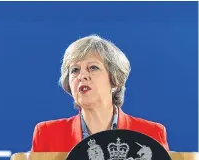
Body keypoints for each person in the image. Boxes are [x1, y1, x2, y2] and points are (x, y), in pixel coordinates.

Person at [31, 35, 169, 152]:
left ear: (115, 81)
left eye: (93, 68)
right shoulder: (47, 134)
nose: (82, 76)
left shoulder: (151, 133)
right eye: (75, 70)